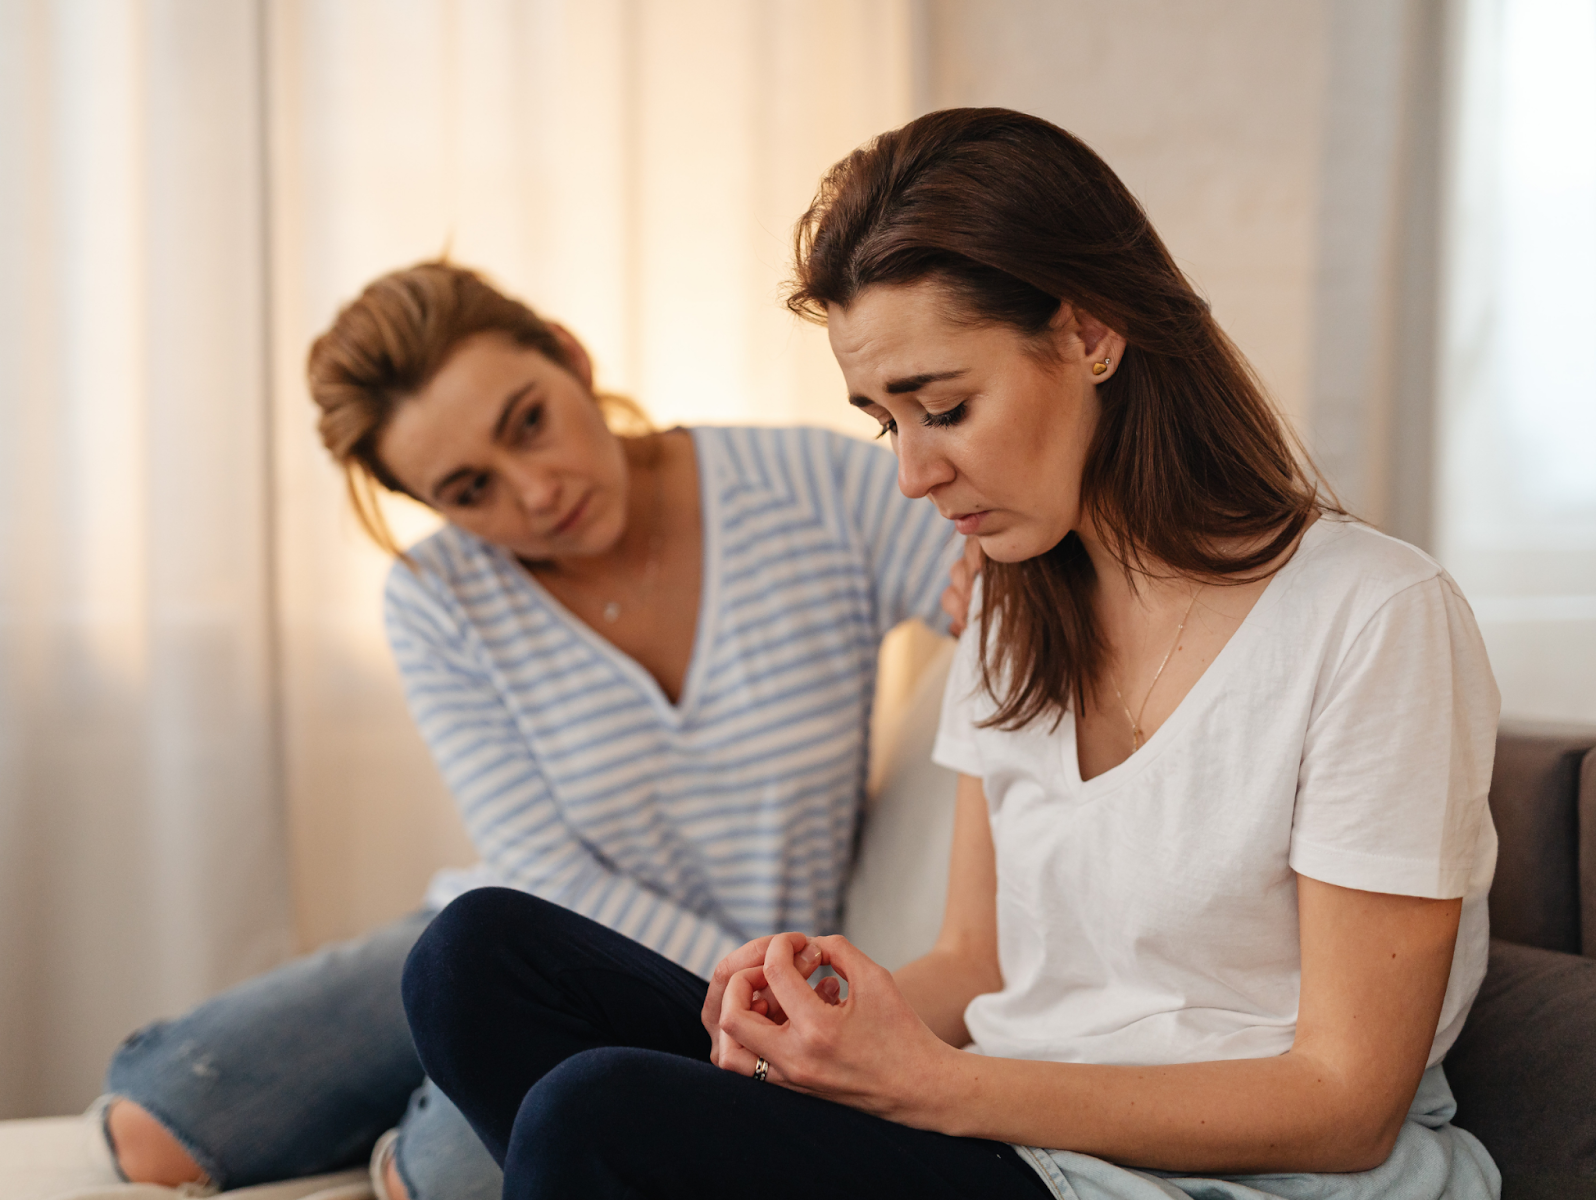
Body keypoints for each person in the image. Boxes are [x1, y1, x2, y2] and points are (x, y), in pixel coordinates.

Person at [401, 108, 1503, 1200]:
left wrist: (929, 1088)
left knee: (595, 1114)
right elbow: (977, 967)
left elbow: (1346, 1104)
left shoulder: (1374, 616)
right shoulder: (1014, 608)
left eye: (943, 406)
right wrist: (816, 1014)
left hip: (1198, 1179)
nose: (912, 474)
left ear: (1090, 333)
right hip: (1005, 1134)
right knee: (476, 959)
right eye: (889, 422)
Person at [98, 261, 965, 1200]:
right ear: (435, 507)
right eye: (472, 489)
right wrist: (740, 996)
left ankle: (416, 1116)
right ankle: (425, 1065)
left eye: (528, 423)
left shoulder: (807, 488)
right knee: (154, 1134)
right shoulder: (439, 599)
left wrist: (997, 590)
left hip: (721, 991)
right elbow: (540, 869)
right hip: (516, 946)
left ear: (569, 357)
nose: (537, 491)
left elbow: (1007, 572)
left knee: (435, 1183)